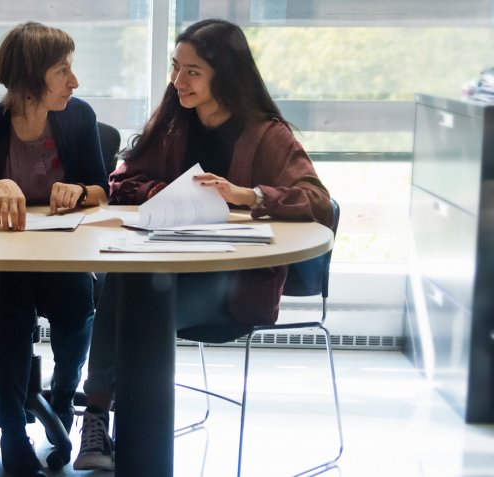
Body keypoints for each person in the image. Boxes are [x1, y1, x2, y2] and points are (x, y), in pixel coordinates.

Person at [72, 18, 334, 471]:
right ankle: (101, 419)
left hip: (231, 284)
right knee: (126, 281)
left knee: (135, 308)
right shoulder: (175, 123)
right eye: (176, 68)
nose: (178, 81)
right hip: (166, 269)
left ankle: (108, 424)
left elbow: (317, 201)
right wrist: (164, 192)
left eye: (192, 71)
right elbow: (122, 180)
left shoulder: (267, 134)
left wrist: (245, 195)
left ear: (224, 74)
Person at [0, 22, 109, 477]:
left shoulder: (77, 117)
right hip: (1, 258)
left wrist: (78, 192)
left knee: (78, 299)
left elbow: (103, 190)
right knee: (15, 309)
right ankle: (11, 430)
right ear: (30, 78)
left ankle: (63, 398)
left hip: (61, 253)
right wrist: (0, 185)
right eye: (63, 70)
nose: (74, 81)